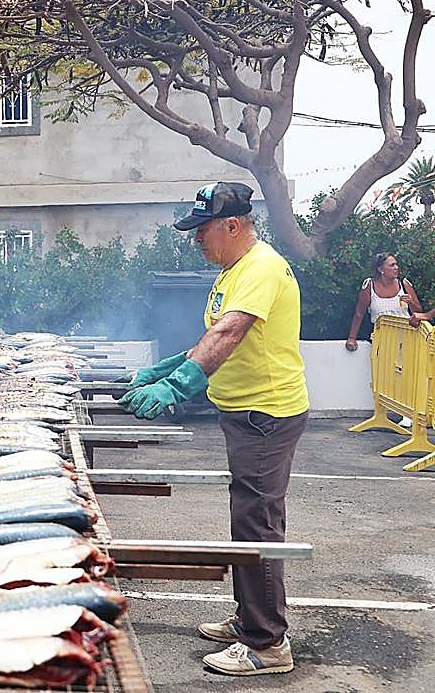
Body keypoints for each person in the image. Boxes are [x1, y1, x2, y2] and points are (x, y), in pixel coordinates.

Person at [120, 182, 309, 677]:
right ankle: (252, 618)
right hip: (246, 414)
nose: (195, 240)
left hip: (265, 415)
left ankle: (267, 644)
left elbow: (229, 333)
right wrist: (167, 369)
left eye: (201, 230)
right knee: (248, 519)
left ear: (233, 225)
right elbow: (213, 338)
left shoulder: (260, 268)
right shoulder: (233, 270)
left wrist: (178, 388)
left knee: (258, 527)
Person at [345, 252, 421, 351]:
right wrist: (352, 338)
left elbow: (419, 312)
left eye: (396, 264)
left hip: (406, 338)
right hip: (381, 341)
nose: (396, 267)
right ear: (381, 269)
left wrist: (410, 302)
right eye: (392, 265)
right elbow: (359, 313)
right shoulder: (369, 285)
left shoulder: (404, 284)